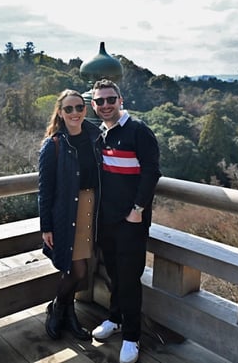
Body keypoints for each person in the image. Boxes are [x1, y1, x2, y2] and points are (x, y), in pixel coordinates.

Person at [90, 79, 161, 363]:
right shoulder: (100, 134)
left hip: (131, 219)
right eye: (100, 101)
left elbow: (151, 173)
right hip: (106, 219)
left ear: (121, 100)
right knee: (113, 273)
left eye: (110, 99)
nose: (106, 105)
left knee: (130, 278)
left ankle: (132, 337)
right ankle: (115, 318)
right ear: (93, 105)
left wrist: (137, 208)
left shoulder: (138, 131)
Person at [38, 89, 102, 341]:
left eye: (79, 107)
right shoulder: (53, 144)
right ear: (60, 113)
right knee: (77, 271)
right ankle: (58, 308)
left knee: (79, 267)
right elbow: (44, 190)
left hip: (91, 209)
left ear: (85, 109)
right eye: (69, 109)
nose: (75, 113)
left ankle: (66, 312)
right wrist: (46, 227)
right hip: (67, 212)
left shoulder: (96, 137)